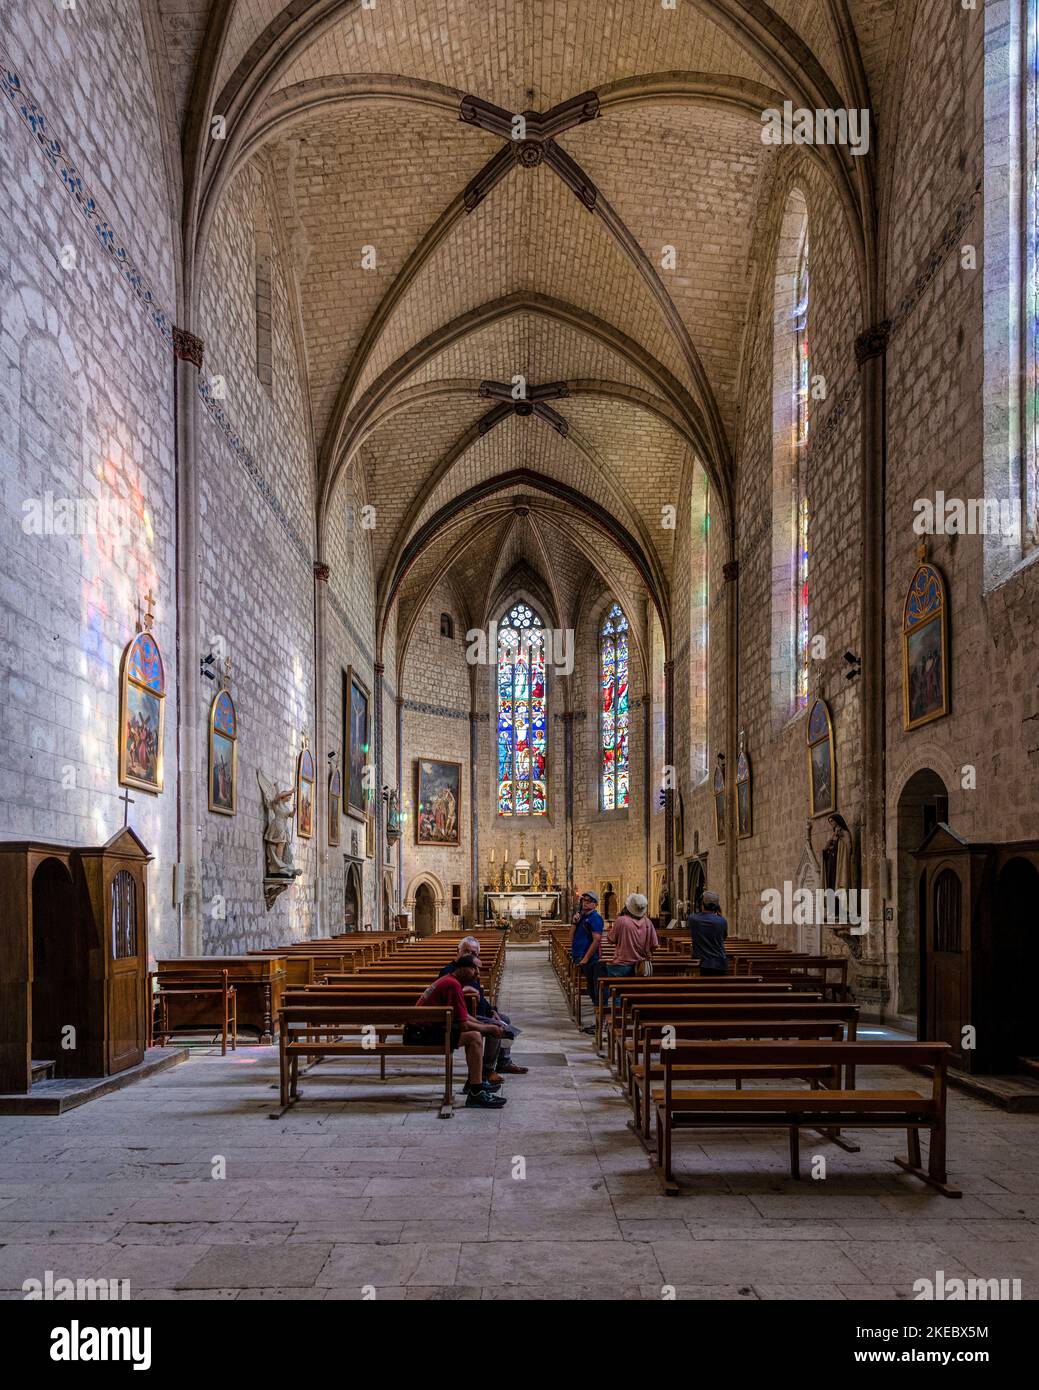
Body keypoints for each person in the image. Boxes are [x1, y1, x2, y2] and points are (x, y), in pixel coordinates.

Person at [403, 955, 506, 1108]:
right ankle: (476, 1091)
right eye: (474, 968)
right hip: (420, 1034)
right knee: (474, 1037)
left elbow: (464, 1016)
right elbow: (464, 1025)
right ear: (462, 968)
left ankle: (475, 1086)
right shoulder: (452, 985)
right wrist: (489, 1028)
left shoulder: (451, 981)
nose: (477, 973)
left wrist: (487, 1024)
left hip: (424, 1030)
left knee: (476, 1034)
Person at [439, 938, 528, 1080]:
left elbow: (480, 995)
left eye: (473, 953)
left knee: (504, 1019)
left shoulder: (471, 969)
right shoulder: (450, 971)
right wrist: (463, 989)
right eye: (466, 951)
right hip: (465, 1016)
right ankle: (487, 1070)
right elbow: (450, 995)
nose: (469, 955)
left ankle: (504, 1061)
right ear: (458, 951)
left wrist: (492, 1010)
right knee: (495, 1026)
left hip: (477, 1013)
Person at [602, 892, 658, 1003]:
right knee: (636, 993)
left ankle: (617, 1015)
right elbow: (655, 945)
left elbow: (610, 939)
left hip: (621, 964)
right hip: (640, 966)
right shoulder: (648, 922)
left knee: (616, 992)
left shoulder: (621, 921)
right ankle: (633, 1014)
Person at [570, 891, 604, 1033]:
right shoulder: (582, 917)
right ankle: (597, 1024)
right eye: (584, 900)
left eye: (589, 900)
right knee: (591, 990)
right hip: (580, 956)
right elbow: (571, 936)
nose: (585, 902)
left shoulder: (595, 918)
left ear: (595, 904)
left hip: (590, 960)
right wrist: (574, 922)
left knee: (595, 991)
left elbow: (596, 940)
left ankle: (599, 1025)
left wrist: (585, 959)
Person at [688, 889, 728, 976]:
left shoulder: (693, 919)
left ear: (702, 904)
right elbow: (723, 938)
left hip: (702, 964)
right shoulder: (722, 921)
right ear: (717, 906)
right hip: (720, 963)